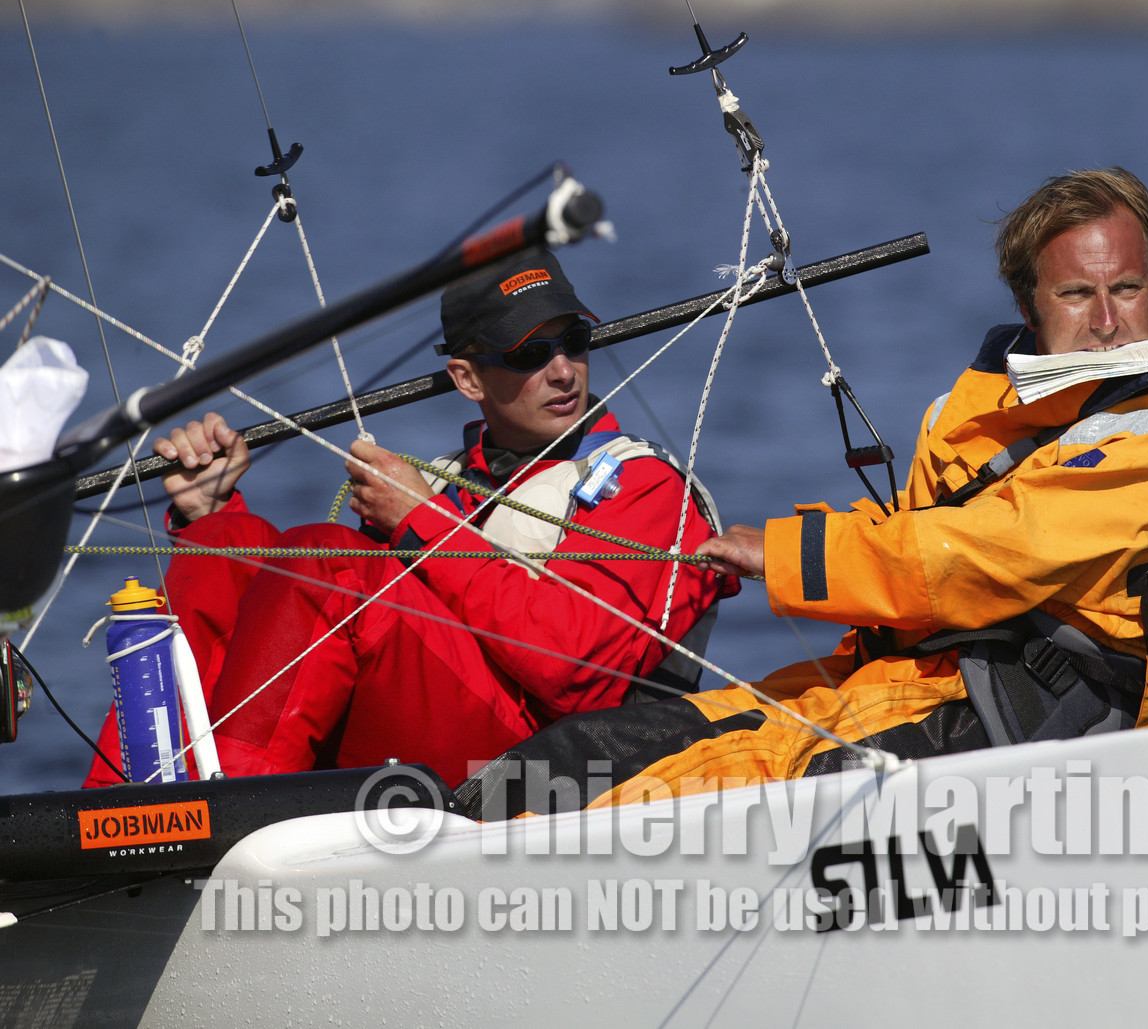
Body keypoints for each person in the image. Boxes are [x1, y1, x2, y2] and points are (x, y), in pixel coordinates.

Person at [459, 167, 1148, 815]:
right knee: (585, 752)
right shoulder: (1006, 411)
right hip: (912, 682)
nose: (1107, 319)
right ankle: (448, 832)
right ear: (1029, 305)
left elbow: (976, 557)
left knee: (645, 790)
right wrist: (767, 543)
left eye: (1127, 288)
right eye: (1077, 293)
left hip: (1013, 720)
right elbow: (917, 528)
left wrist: (779, 554)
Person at [85, 247, 737, 788]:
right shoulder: (443, 484)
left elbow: (579, 675)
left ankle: (228, 809)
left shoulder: (644, 485)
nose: (563, 370)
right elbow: (305, 626)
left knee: (327, 559)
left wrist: (424, 522)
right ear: (468, 378)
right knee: (239, 550)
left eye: (575, 340)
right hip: (474, 741)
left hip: (572, 772)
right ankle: (129, 800)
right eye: (527, 354)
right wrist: (211, 510)